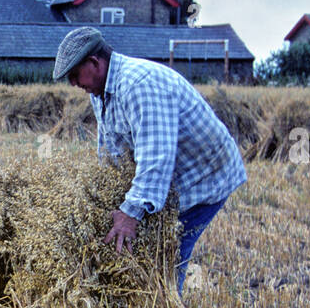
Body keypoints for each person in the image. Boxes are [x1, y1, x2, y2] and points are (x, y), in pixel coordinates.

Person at [52, 27, 246, 292]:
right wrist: (104, 196)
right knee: (148, 248)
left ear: (94, 63)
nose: (73, 84)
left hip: (204, 175)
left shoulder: (139, 85)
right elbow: (111, 148)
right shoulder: (100, 91)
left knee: (168, 257)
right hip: (174, 175)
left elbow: (156, 157)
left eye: (74, 75)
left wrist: (130, 214)